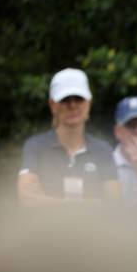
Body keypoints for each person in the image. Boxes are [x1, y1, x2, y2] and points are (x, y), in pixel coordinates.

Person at [18, 68, 119, 204]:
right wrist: (91, 204)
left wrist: (50, 202)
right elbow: (27, 199)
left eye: (79, 99)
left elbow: (114, 203)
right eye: (65, 99)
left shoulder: (103, 150)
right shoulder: (35, 146)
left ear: (88, 103)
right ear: (53, 105)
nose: (72, 105)